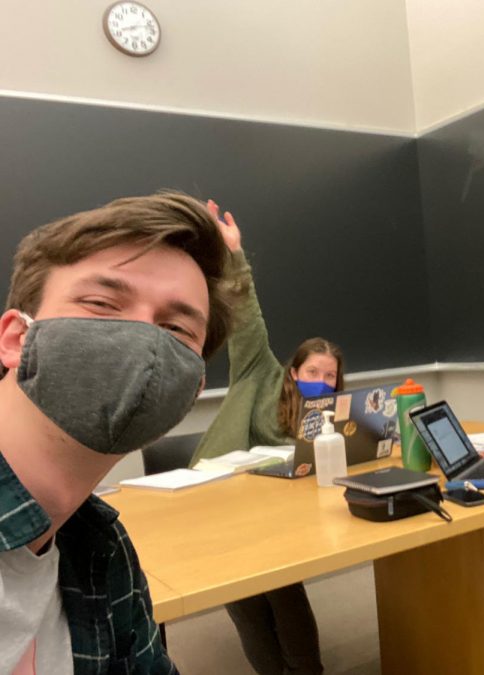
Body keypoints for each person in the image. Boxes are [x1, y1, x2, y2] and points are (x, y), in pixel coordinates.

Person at [0, 191, 246, 674]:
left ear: (190, 388)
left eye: (176, 330)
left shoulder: (104, 551)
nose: (143, 343)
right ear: (16, 338)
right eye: (101, 303)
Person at [189, 201, 341, 675]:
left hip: (277, 517)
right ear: (292, 371)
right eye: (312, 371)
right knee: (248, 597)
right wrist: (233, 257)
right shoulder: (260, 374)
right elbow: (245, 320)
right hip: (222, 502)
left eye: (331, 375)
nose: (321, 379)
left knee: (283, 587)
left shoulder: (331, 416)